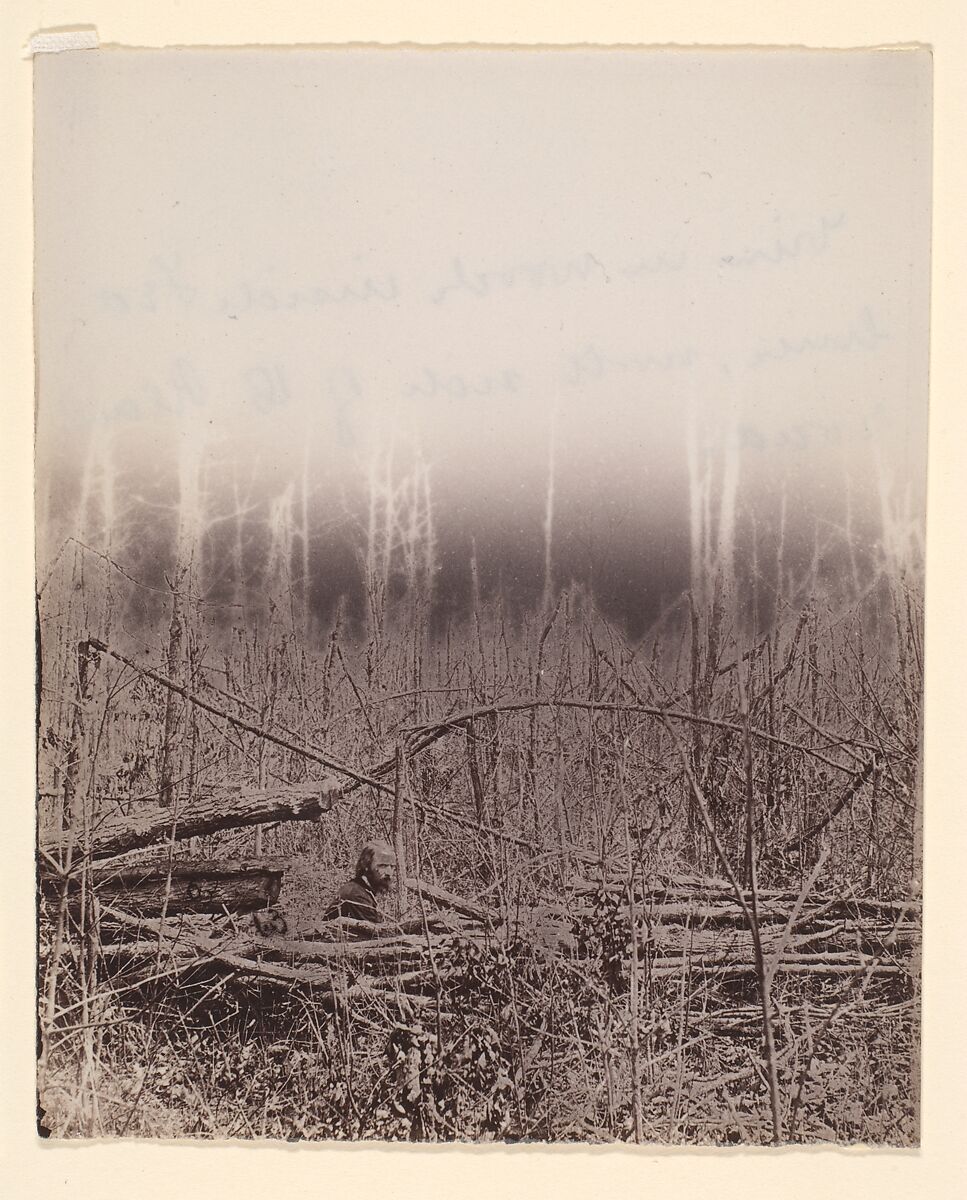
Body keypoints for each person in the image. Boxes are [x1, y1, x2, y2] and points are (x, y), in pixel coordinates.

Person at [323, 840, 397, 924]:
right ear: (366, 865)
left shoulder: (363, 891)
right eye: (382, 866)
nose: (389, 872)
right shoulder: (356, 895)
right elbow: (376, 935)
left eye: (392, 867)